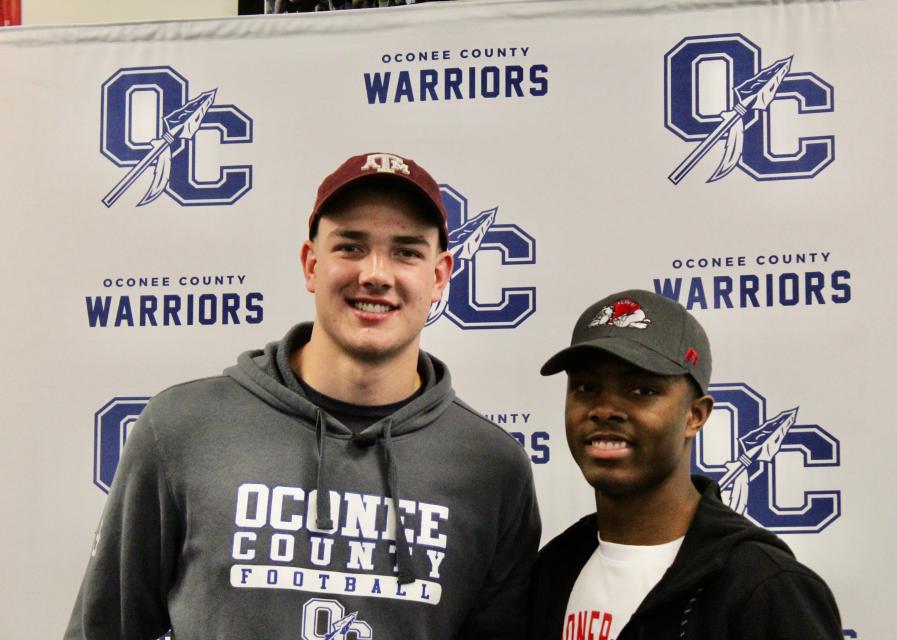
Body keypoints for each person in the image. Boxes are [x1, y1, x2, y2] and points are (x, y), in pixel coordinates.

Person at [65, 152, 541, 640]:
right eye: (351, 248)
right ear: (311, 265)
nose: (376, 273)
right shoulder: (183, 428)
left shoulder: (491, 468)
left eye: (406, 252)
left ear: (440, 277)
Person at [529, 289, 842, 640]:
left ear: (695, 415)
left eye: (641, 391)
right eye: (586, 387)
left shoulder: (766, 586)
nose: (604, 409)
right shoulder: (551, 570)